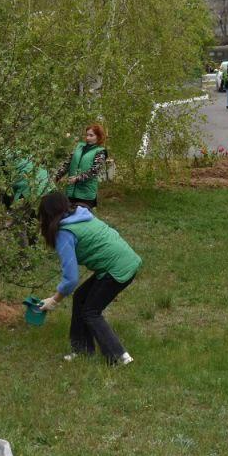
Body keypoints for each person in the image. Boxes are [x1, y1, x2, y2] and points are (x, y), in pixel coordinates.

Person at [36, 191, 141, 367]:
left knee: (91, 312)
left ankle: (120, 357)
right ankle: (82, 350)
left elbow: (70, 279)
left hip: (116, 270)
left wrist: (54, 301)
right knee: (81, 298)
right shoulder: (81, 215)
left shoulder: (65, 232)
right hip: (125, 261)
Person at [62, 124, 108, 209]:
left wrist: (77, 179)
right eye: (87, 135)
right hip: (71, 191)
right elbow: (67, 163)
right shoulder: (78, 147)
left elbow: (94, 171)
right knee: (68, 218)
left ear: (98, 137)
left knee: (82, 219)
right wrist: (57, 176)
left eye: (91, 135)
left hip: (86, 194)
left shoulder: (100, 152)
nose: (87, 138)